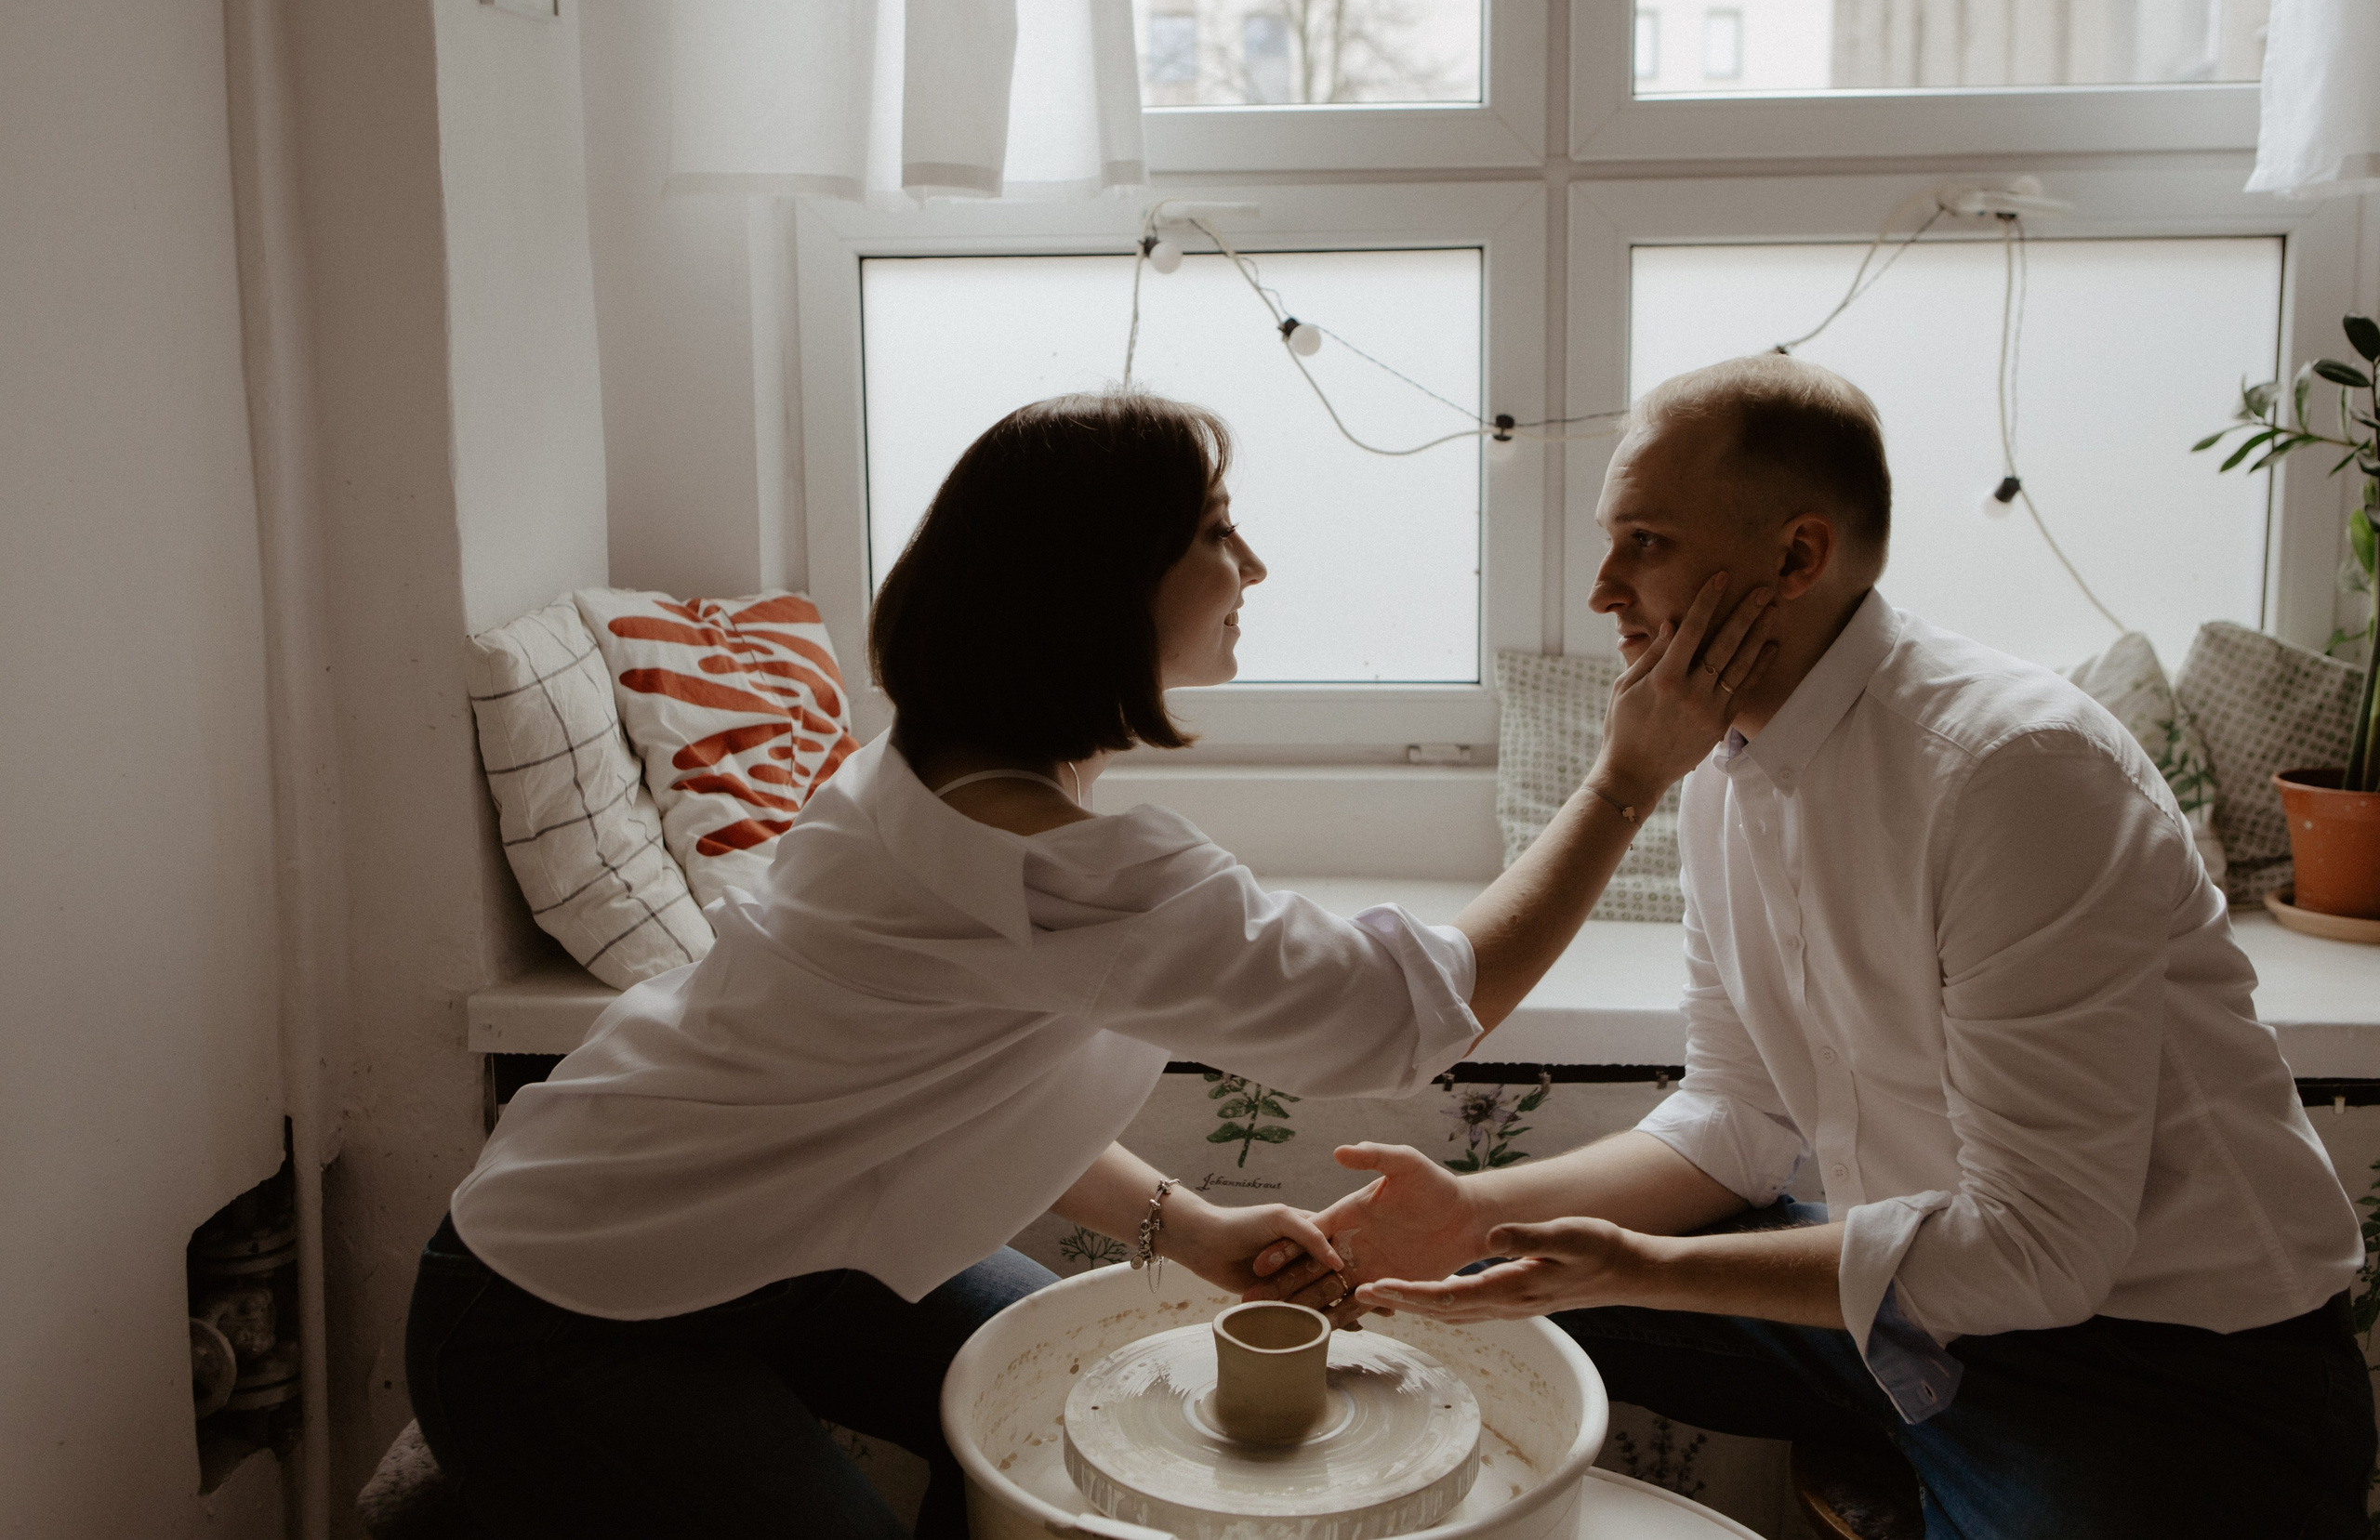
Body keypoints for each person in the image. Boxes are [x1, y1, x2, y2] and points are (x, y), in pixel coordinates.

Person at [405, 390, 1778, 1540]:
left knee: (1067, 1401)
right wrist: (1625, 775)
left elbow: (946, 1086)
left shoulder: (920, 774)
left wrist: (1195, 1228)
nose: (1254, 565)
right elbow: (1412, 1012)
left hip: (762, 1240)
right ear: (1098, 587)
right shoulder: (1065, 871)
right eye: (1216, 530)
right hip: (550, 1309)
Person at [1250, 356, 2373, 1539]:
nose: (1600, 590)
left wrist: (1638, 1266)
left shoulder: (2014, 773)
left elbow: (2042, 1252)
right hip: (1912, 1309)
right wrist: (1472, 1213)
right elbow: (1737, 1120)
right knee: (1440, 1311)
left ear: (1796, 556)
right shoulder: (1717, 772)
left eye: (1643, 542)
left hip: (2161, 1370)